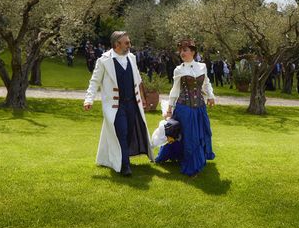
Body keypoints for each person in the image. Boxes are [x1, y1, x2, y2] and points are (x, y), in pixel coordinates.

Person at [84, 31, 153, 176]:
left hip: (132, 104)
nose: (129, 45)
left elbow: (138, 80)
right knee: (121, 132)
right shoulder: (103, 61)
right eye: (126, 42)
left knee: (128, 133)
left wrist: (143, 98)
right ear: (117, 44)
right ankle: (125, 166)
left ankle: (120, 158)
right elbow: (94, 81)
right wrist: (89, 99)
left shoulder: (132, 58)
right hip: (115, 106)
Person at [156, 39, 216, 177]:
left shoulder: (202, 67)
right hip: (184, 109)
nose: (182, 53)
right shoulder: (179, 69)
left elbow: (206, 83)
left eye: (185, 50)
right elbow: (175, 90)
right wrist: (169, 109)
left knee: (200, 134)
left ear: (193, 52)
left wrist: (211, 96)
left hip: (199, 108)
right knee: (189, 137)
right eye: (181, 51)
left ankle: (196, 160)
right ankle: (192, 165)